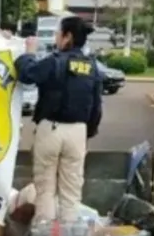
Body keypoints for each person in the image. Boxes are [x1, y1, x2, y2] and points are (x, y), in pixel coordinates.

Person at [15, 16, 102, 224]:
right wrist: (86, 133)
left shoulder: (54, 61)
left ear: (67, 36)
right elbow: (97, 106)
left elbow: (27, 74)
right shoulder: (92, 67)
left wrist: (28, 53)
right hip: (78, 132)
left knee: (45, 189)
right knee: (71, 192)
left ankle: (45, 235)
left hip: (51, 130)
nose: (55, 37)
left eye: (57, 33)